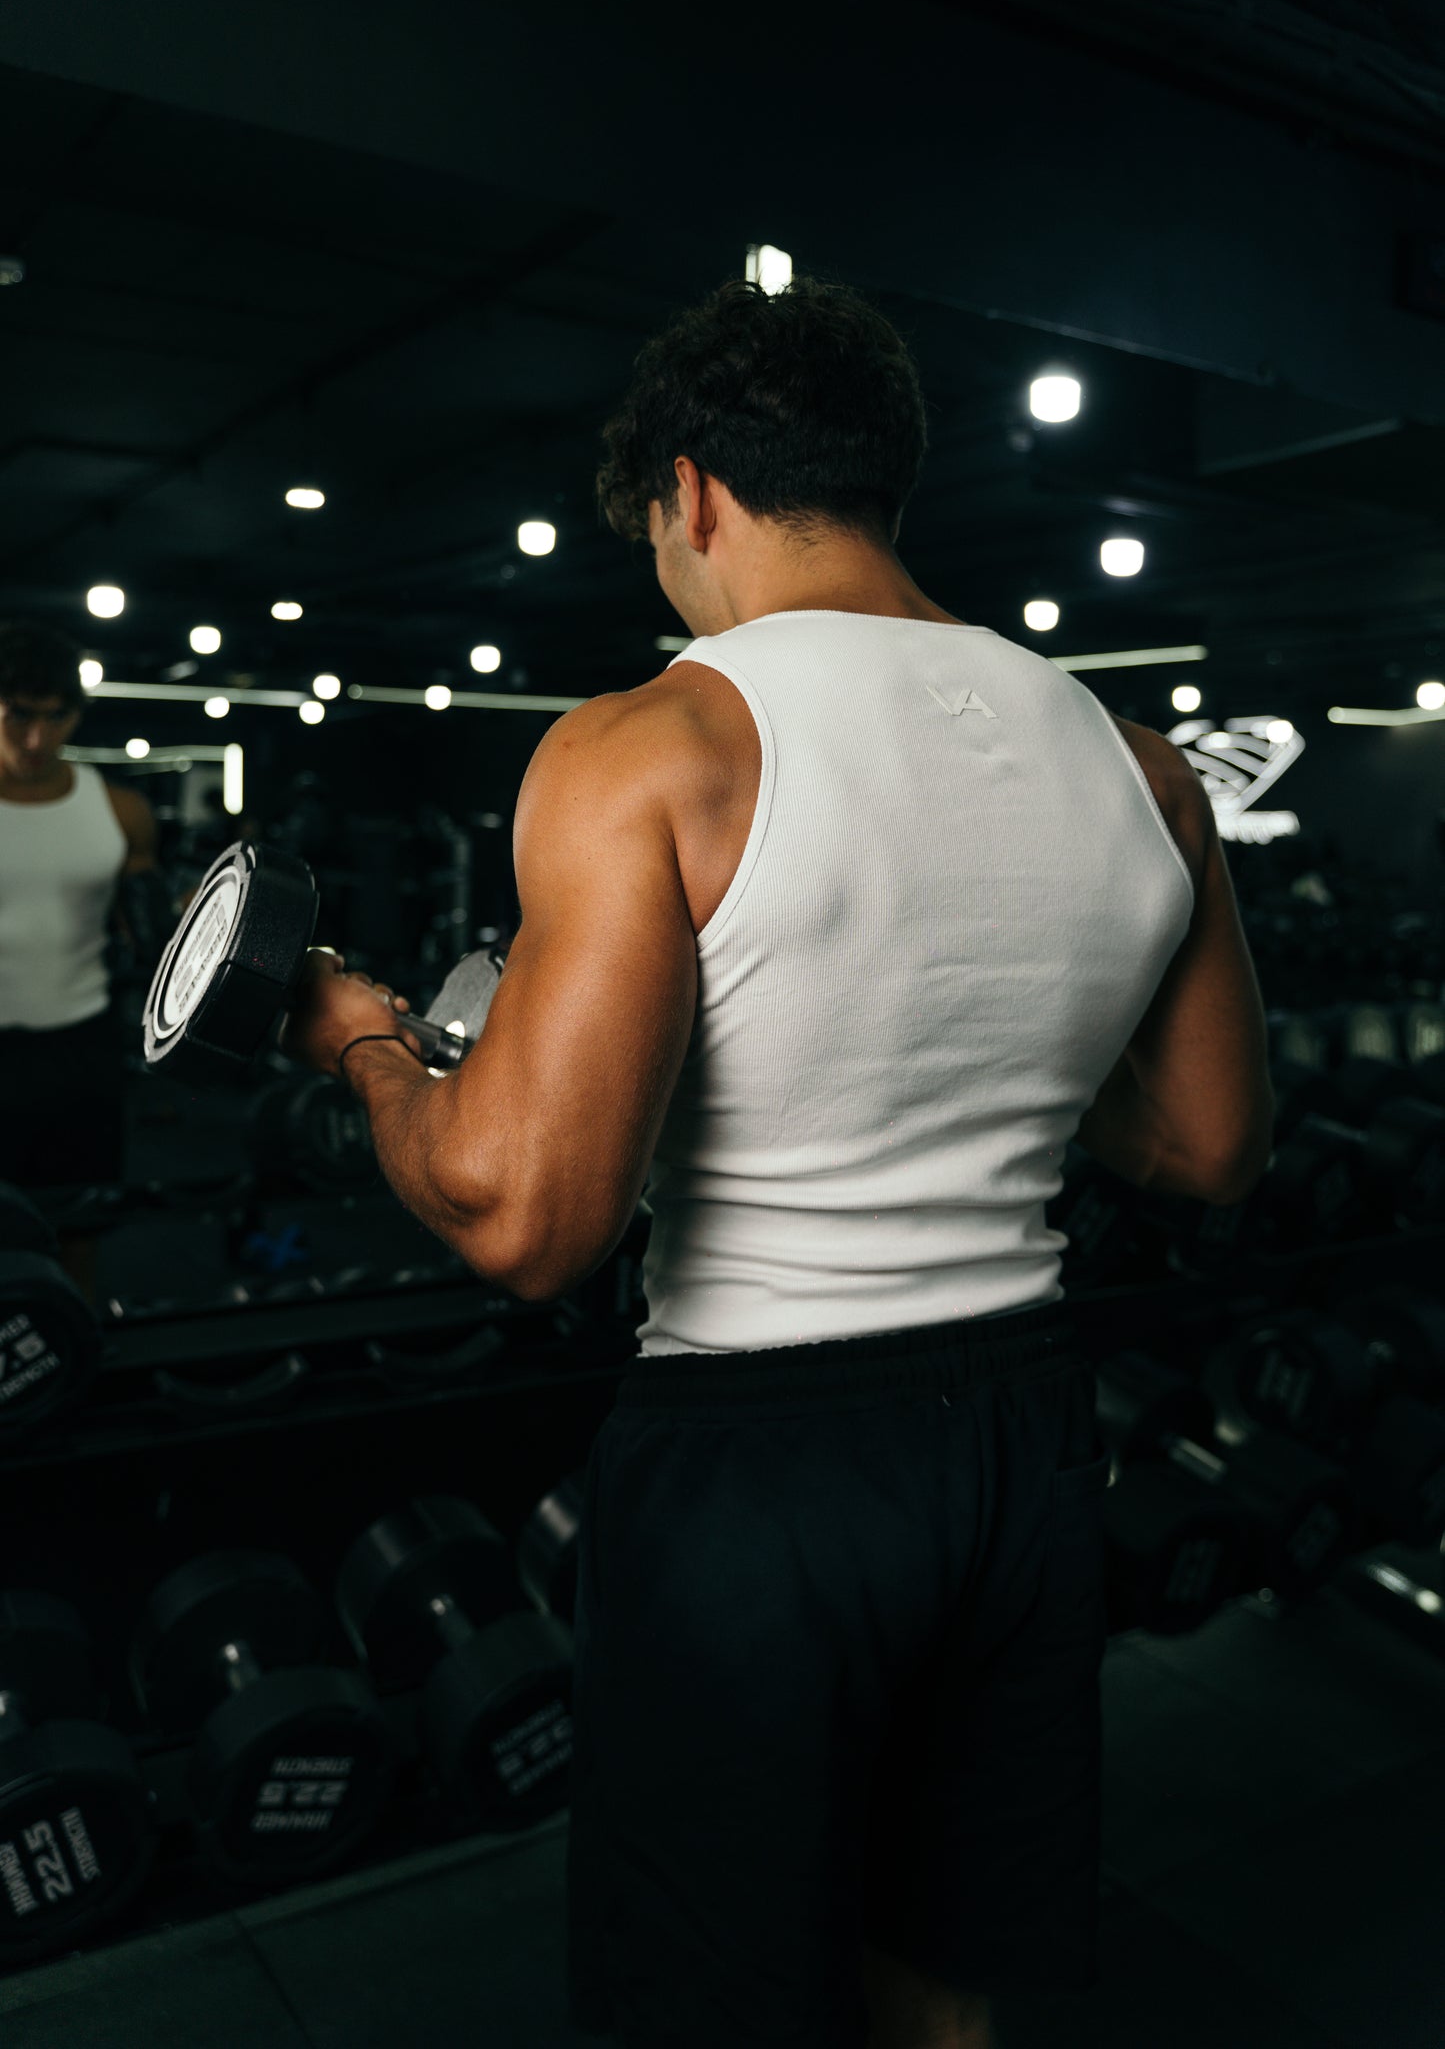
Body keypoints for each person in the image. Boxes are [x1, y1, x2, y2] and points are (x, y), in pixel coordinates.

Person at [285, 276, 1274, 2049]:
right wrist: (967, 1055)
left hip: (762, 1461)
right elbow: (1207, 1143)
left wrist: (359, 1046)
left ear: (694, 494)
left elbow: (525, 1222)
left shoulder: (647, 741)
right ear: (887, 481)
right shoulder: (1140, 764)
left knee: (712, 1995)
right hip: (1027, 1436)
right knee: (950, 1970)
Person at [0, 621, 159, 1299]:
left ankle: (79, 1362)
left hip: (81, 1050)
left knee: (81, 1224)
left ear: (75, 712)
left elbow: (158, 946)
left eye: (54, 716)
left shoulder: (121, 811)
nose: (36, 739)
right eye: (17, 716)